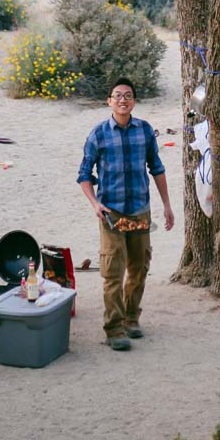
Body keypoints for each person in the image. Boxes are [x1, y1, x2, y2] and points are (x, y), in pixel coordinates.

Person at [77, 77, 174, 351]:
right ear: (109, 101)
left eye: (128, 95)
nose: (123, 100)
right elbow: (84, 175)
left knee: (139, 268)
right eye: (117, 95)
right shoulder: (98, 134)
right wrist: (95, 204)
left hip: (140, 212)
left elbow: (157, 168)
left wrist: (166, 206)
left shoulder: (144, 131)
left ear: (134, 101)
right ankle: (114, 329)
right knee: (112, 272)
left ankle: (132, 319)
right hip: (111, 213)